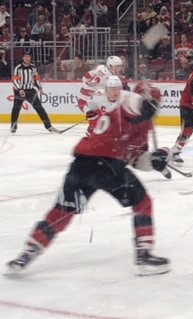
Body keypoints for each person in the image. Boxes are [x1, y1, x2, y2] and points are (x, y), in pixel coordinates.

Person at [6, 76, 171, 276]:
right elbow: (132, 104)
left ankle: (26, 254)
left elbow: (135, 159)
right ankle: (144, 257)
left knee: (63, 211)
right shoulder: (128, 103)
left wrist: (154, 160)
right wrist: (145, 101)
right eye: (155, 103)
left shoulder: (142, 124)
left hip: (82, 165)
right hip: (105, 164)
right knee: (142, 202)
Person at [11, 50, 59, 134]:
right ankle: (13, 127)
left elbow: (36, 79)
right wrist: (20, 89)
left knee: (40, 108)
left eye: (28, 57)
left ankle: (48, 126)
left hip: (31, 91)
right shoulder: (18, 67)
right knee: (16, 108)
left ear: (30, 58)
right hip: (19, 91)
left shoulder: (33, 67)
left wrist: (40, 88)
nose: (27, 58)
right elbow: (15, 80)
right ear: (22, 58)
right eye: (25, 56)